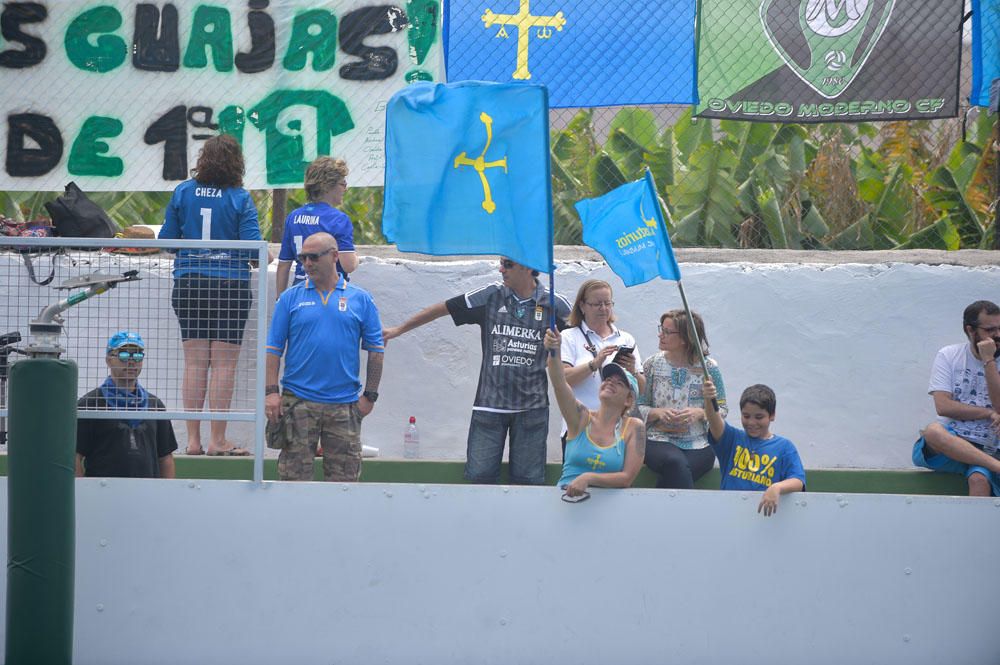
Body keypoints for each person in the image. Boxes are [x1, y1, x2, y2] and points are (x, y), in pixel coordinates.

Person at [383, 257, 571, 485]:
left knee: (529, 483)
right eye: (501, 263)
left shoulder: (555, 304)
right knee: (478, 479)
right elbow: (443, 309)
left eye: (508, 264)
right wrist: (399, 330)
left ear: (529, 266)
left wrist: (559, 347)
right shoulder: (491, 295)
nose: (501, 269)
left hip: (532, 409)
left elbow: (579, 337)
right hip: (489, 407)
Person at [158, 134, 263, 457]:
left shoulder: (183, 192)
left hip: (190, 282)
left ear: (202, 160)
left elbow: (166, 241)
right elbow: (254, 252)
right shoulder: (240, 198)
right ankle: (218, 439)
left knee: (194, 363)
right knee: (223, 367)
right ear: (237, 164)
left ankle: (192, 441)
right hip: (229, 285)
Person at [265, 232, 384, 481]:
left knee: (344, 482)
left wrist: (369, 396)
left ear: (334, 256)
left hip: (344, 404)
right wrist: (272, 393)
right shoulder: (289, 299)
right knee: (293, 481)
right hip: (298, 402)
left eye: (313, 257)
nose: (307, 263)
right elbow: (274, 349)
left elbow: (376, 350)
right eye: (302, 258)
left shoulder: (361, 299)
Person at [912, 300, 1000, 496]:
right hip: (955, 442)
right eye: (990, 329)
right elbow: (943, 406)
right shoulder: (949, 355)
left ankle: (989, 465)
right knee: (933, 431)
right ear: (970, 330)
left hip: (992, 444)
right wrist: (988, 412)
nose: (998, 335)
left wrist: (989, 361)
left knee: (979, 479)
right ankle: (996, 466)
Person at [545, 329, 645, 498]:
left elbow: (627, 478)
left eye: (619, 382)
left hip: (610, 510)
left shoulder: (634, 427)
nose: (610, 383)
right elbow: (559, 383)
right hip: (566, 502)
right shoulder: (582, 417)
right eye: (607, 379)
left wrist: (588, 478)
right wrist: (554, 351)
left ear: (628, 399)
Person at [637, 309, 726, 489]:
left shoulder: (709, 368)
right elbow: (637, 407)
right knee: (675, 463)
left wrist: (700, 413)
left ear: (686, 338)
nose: (660, 335)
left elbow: (722, 410)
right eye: (661, 329)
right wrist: (657, 413)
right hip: (658, 438)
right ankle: (687, 517)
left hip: (699, 443)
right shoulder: (652, 364)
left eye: (667, 332)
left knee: (678, 471)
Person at [76, 331, 178, 478]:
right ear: (108, 360)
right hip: (103, 493)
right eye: (123, 355)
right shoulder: (90, 403)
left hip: (148, 494)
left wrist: (167, 495)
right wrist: (82, 492)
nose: (131, 362)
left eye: (137, 355)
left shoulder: (154, 405)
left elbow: (165, 457)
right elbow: (74, 456)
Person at [559, 279, 644, 454]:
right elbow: (563, 380)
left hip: (617, 428)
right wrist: (594, 364)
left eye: (607, 303)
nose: (603, 309)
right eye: (597, 304)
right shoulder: (569, 336)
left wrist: (633, 371)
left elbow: (641, 389)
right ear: (582, 306)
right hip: (580, 425)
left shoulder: (625, 339)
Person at [703, 379, 805, 516]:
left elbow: (798, 481)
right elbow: (713, 418)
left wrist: (777, 487)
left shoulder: (785, 447)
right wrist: (709, 399)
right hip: (729, 514)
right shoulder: (732, 438)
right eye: (746, 416)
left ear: (772, 415)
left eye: (759, 417)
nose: (751, 422)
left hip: (764, 519)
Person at [275, 156, 357, 297]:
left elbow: (283, 265)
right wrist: (356, 259)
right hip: (330, 291)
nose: (345, 188)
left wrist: (280, 300)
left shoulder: (293, 217)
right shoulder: (339, 219)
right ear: (328, 186)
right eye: (342, 184)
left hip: (300, 290)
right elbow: (348, 265)